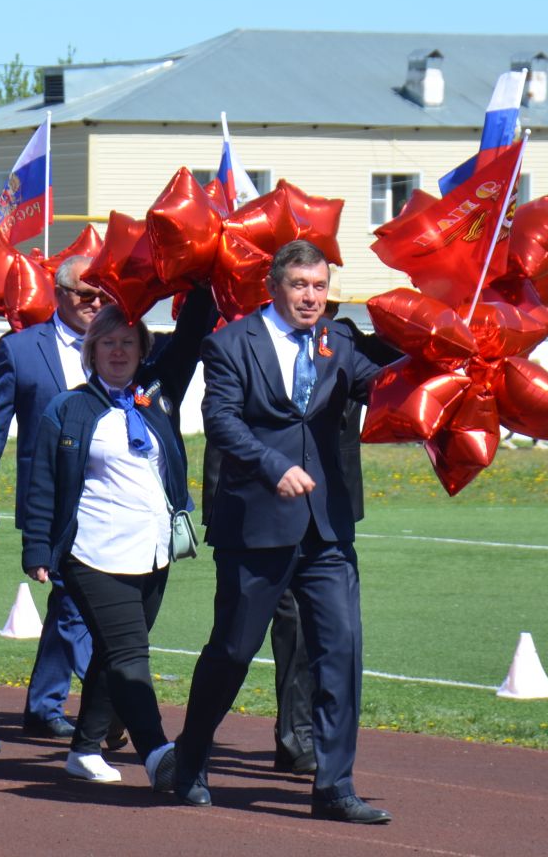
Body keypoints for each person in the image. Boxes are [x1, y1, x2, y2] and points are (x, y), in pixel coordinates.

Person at [169, 240, 396, 824]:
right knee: (233, 651)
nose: (311, 297)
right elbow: (219, 419)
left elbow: (382, 385)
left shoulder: (339, 340)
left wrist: (441, 364)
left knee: (341, 651)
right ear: (274, 287)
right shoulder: (229, 343)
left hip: (327, 529)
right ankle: (190, 759)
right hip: (256, 526)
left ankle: (334, 786)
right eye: (300, 286)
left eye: (320, 286)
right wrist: (273, 468)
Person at [22, 293, 212, 786]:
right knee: (129, 654)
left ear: (142, 348)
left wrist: (202, 281)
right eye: (107, 342)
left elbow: (191, 336)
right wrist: (38, 548)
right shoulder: (69, 408)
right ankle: (158, 755)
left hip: (152, 551)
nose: (118, 351)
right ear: (91, 351)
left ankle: (84, 749)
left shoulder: (157, 392)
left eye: (128, 342)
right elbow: (42, 480)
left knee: (113, 651)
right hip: (93, 553)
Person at [0, 256, 111, 739]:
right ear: (58, 294)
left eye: (102, 294)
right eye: (85, 294)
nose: (95, 303)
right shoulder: (20, 350)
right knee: (71, 596)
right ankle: (111, 693)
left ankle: (43, 704)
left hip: (107, 494)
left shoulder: (118, 345)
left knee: (69, 603)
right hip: (50, 499)